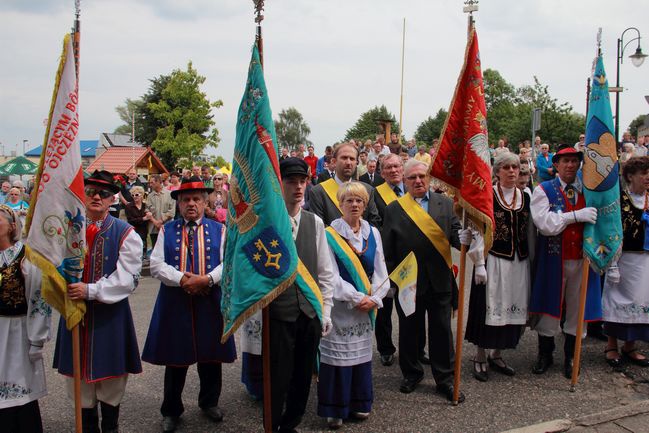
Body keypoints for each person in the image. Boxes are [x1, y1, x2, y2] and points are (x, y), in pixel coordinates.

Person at [240, 158, 335, 431]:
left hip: (308, 313)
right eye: (291, 181)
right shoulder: (264, 224)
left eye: (302, 181)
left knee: (303, 377)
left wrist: (325, 311)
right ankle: (272, 425)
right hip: (278, 314)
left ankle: (291, 424)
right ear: (278, 184)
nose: (298, 187)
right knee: (277, 378)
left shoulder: (314, 223)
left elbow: (325, 273)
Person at [142, 176, 236, 433]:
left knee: (211, 356)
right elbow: (157, 265)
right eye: (185, 200)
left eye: (196, 199)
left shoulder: (220, 229)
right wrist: (183, 279)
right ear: (179, 204)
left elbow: (228, 263)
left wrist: (206, 279)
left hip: (209, 299)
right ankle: (171, 410)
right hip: (176, 301)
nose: (191, 204)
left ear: (206, 202)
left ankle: (209, 402)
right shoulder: (166, 230)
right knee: (175, 359)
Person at [52, 170, 143, 433]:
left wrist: (90, 291)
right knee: (79, 384)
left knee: (111, 382)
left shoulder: (126, 233)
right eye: (91, 191)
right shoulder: (66, 230)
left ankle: (111, 428)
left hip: (109, 317)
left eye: (103, 193)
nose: (96, 197)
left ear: (113, 198)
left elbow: (128, 279)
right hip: (74, 316)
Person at [381, 159, 464, 402]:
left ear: (429, 178)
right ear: (404, 181)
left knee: (441, 331)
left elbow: (456, 236)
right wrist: (390, 282)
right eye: (412, 178)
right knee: (409, 330)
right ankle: (412, 373)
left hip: (440, 279)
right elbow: (388, 248)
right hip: (408, 282)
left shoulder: (445, 204)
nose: (418, 181)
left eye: (422, 176)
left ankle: (445, 379)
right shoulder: (394, 209)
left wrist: (468, 239)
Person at [318, 182, 390, 429]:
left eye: (359, 200)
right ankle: (335, 408)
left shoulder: (373, 232)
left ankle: (359, 402)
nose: (355, 204)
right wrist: (356, 297)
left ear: (365, 204)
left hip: (367, 307)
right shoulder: (329, 234)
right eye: (349, 200)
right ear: (340, 204)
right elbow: (329, 275)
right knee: (338, 359)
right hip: (340, 308)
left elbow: (381, 269)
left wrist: (376, 298)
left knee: (360, 357)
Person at [529, 144, 600, 379]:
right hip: (553, 258)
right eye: (565, 161)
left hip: (582, 259)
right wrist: (574, 216)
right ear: (556, 165)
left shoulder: (589, 191)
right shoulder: (543, 189)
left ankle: (571, 354)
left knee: (577, 307)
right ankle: (545, 354)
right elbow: (545, 224)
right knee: (550, 306)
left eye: (574, 161)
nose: (570, 165)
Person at [464, 153, 533, 382]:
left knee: (511, 307)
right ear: (497, 171)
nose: (512, 171)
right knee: (488, 307)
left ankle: (497, 353)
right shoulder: (488, 196)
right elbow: (477, 229)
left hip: (518, 262)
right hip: (493, 259)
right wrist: (479, 263)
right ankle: (481, 355)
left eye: (515, 167)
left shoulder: (526, 196)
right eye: (507, 168)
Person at [0, 206, 49, 433]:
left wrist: (36, 338)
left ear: (12, 226)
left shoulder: (26, 258)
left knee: (20, 387)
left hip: (17, 330)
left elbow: (38, 300)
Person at [602, 156, 649, 367]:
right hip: (623, 260)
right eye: (644, 173)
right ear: (630, 176)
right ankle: (611, 345)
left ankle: (630, 346)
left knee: (641, 303)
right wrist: (611, 263)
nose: (648, 178)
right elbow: (610, 231)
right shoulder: (619, 200)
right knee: (616, 300)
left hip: (645, 260)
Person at [372, 154, 406, 367]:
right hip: (385, 259)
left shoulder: (412, 188)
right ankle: (385, 348)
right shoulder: (375, 194)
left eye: (397, 166)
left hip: (410, 259)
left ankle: (415, 348)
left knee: (411, 307)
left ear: (403, 168)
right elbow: (375, 223)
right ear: (382, 172)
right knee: (384, 308)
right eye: (388, 167)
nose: (393, 170)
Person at [309, 143, 381, 227]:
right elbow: (318, 227)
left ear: (357, 162)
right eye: (344, 158)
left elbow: (374, 221)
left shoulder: (367, 190)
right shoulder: (318, 192)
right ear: (334, 161)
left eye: (352, 159)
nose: (348, 162)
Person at [146, 174, 176, 252]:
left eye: (152, 182)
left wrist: (161, 221)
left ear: (159, 182)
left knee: (168, 248)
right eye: (150, 183)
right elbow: (147, 210)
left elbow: (172, 211)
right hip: (154, 228)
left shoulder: (170, 194)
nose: (150, 185)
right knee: (155, 249)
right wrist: (154, 221)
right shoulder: (149, 196)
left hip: (167, 227)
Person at [124, 185, 150, 260]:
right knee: (135, 249)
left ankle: (144, 257)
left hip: (144, 230)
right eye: (133, 195)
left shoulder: (146, 206)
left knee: (144, 246)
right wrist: (143, 219)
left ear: (142, 195)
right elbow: (130, 220)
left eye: (137, 195)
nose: (135, 196)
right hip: (134, 230)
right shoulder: (129, 206)